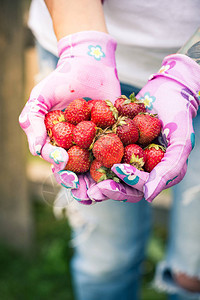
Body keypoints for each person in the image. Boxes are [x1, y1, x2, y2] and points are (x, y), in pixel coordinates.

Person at [20, 0, 200, 299]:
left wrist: (189, 74)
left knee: (194, 270)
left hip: (196, 73)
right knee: (104, 259)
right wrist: (84, 47)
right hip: (78, 51)